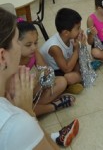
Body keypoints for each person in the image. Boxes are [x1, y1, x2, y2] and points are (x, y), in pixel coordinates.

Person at [0, 8, 59, 149]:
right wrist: (28, 114)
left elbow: (47, 71)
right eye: (16, 42)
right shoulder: (15, 124)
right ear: (2, 56)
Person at [17, 21, 75, 117]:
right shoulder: (11, 59)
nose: (34, 47)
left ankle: (36, 108)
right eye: (28, 45)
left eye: (35, 43)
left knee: (61, 81)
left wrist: (41, 78)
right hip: (17, 96)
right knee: (21, 110)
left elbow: (46, 72)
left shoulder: (34, 53)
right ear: (15, 44)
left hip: (31, 92)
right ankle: (53, 106)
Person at [40, 8, 84, 95]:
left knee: (81, 61)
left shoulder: (69, 37)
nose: (80, 31)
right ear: (66, 33)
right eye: (78, 28)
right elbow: (66, 69)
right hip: (54, 72)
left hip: (65, 64)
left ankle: (77, 79)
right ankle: (71, 84)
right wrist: (77, 49)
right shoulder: (55, 47)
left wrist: (81, 45)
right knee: (69, 77)